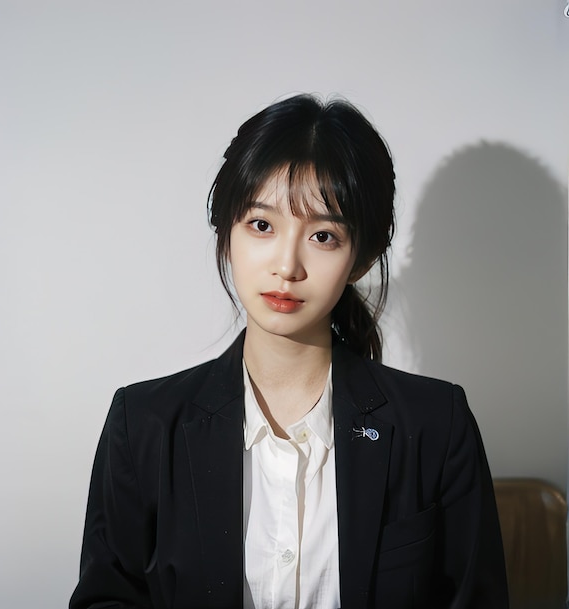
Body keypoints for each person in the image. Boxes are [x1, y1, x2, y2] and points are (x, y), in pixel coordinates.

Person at [69, 94, 508, 609]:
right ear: (226, 231)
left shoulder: (437, 426)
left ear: (361, 258)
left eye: (323, 236)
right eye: (262, 225)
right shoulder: (142, 425)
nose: (287, 265)